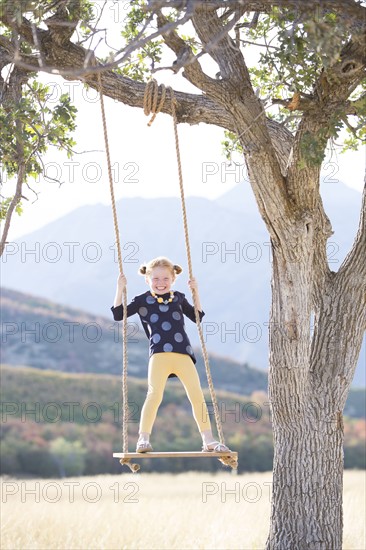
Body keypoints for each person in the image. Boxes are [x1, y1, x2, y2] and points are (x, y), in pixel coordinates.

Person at [111, 256, 230, 454]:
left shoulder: (179, 298)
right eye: (156, 279)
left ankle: (208, 440)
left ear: (173, 279)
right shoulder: (143, 300)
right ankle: (143, 438)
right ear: (147, 279)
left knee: (197, 395)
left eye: (165, 279)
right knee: (154, 394)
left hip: (183, 353)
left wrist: (196, 292)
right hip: (159, 355)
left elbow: (197, 317)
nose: (160, 283)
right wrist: (119, 288)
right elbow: (117, 314)